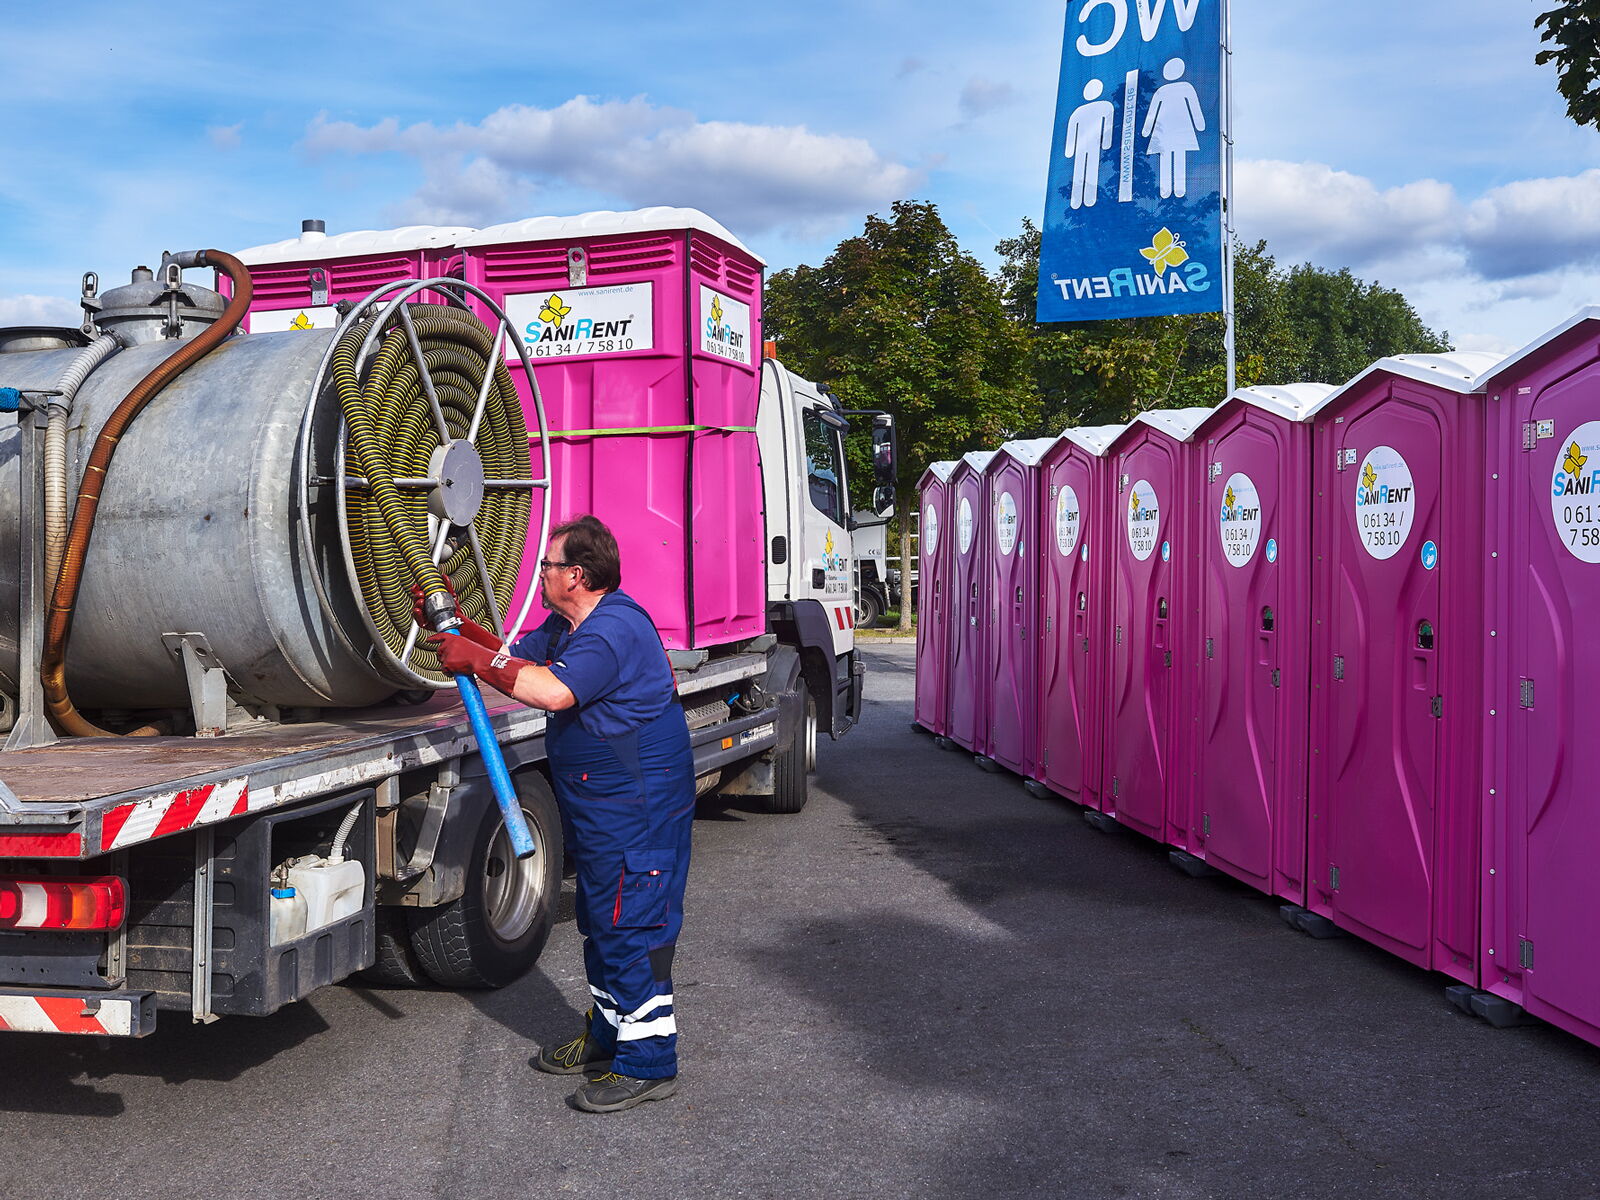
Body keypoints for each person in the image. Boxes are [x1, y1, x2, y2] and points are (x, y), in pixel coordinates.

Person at [420, 514, 695, 1114]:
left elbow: (550, 693)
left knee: (633, 925)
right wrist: (458, 630)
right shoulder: (570, 625)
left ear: (577, 574)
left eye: (547, 566)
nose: (539, 574)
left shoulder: (612, 629)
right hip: (602, 810)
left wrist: (474, 659)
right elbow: (514, 661)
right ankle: (607, 1038)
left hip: (638, 811)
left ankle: (649, 1061)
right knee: (601, 920)